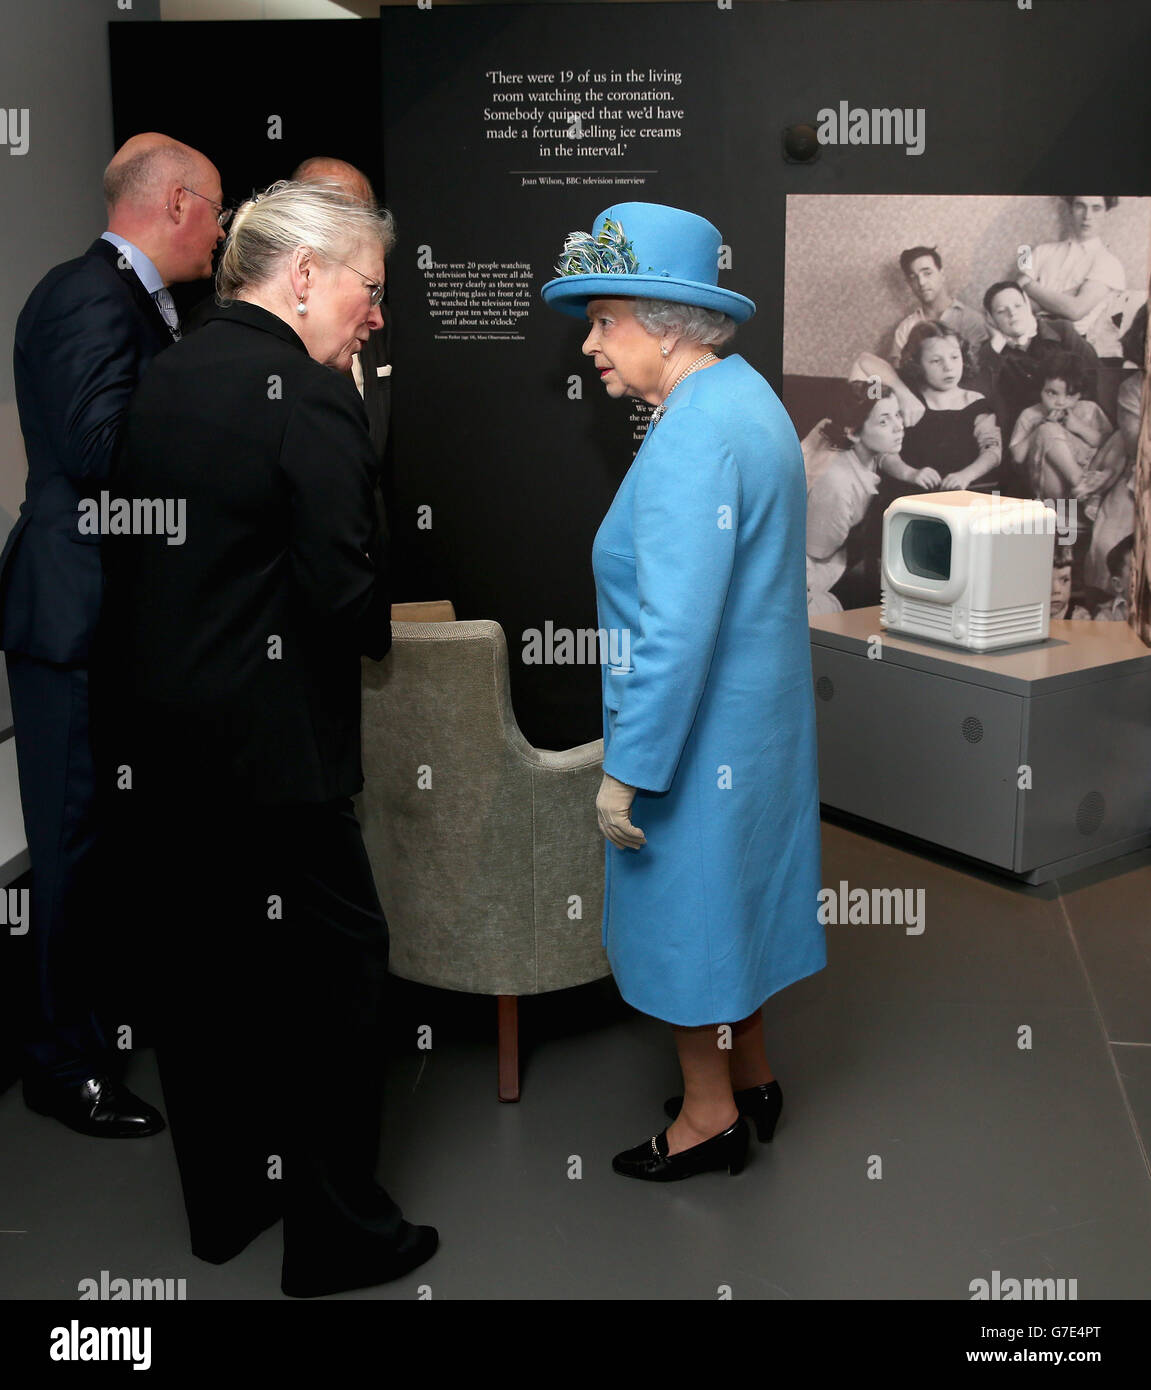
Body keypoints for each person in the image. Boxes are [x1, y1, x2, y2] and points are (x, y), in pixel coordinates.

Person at [99, 180, 436, 1296]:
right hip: (278, 755)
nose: (376, 316)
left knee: (204, 983)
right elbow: (348, 596)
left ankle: (228, 1208)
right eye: (369, 289)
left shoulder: (167, 371)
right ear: (304, 277)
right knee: (335, 979)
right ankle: (336, 1237)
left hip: (164, 745)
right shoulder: (311, 391)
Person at [541, 202, 825, 1181]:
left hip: (693, 744)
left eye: (602, 320)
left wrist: (628, 771)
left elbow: (669, 637)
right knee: (736, 906)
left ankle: (708, 1118)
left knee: (691, 928)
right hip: (757, 729)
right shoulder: (747, 401)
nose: (588, 347)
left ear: (662, 320)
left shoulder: (684, 445)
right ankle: (750, 1075)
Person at [0, 132, 225, 1138]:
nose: (220, 233)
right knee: (71, 848)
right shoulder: (85, 293)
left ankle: (96, 1032)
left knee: (103, 847)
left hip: (112, 624)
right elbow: (100, 453)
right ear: (174, 203)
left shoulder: (148, 303)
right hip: (71, 620)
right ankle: (59, 1066)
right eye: (214, 210)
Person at [292, 156, 392, 464]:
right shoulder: (244, 341)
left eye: (350, 214)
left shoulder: (376, 317)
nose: (375, 320)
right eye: (324, 210)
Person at [971, 281, 1100, 489]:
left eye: (1018, 306)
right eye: (1002, 311)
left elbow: (1094, 376)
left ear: (1028, 305)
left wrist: (1070, 414)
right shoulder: (991, 354)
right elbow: (978, 397)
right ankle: (1071, 508)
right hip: (1029, 442)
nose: (1012, 314)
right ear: (990, 319)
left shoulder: (1062, 332)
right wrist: (994, 345)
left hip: (1077, 430)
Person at [856, 321, 1001, 494]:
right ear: (917, 364)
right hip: (907, 494)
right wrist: (910, 474)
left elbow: (992, 451)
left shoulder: (976, 402)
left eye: (955, 357)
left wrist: (965, 476)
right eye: (935, 360)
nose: (948, 367)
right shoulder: (904, 400)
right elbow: (864, 360)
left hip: (961, 494)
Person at [804, 382, 904, 612]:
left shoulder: (869, 456)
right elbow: (817, 549)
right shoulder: (837, 483)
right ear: (853, 432)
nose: (899, 426)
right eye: (884, 421)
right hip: (815, 569)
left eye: (898, 415)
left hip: (843, 558)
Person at [1018, 197, 1127, 359]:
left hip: (1071, 345)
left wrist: (1030, 286)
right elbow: (1016, 301)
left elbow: (1075, 311)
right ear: (1070, 210)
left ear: (1106, 214)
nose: (1087, 216)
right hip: (1030, 336)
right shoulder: (1040, 251)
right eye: (1080, 206)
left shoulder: (1109, 263)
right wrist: (1062, 300)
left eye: (1096, 208)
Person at [1008, 353, 1113, 502]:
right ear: (1040, 389)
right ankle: (1081, 483)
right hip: (1055, 487)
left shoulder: (1089, 408)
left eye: (1070, 395)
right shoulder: (1030, 414)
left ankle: (1087, 490)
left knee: (1121, 438)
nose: (1060, 402)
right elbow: (1018, 457)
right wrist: (1040, 426)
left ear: (1080, 394)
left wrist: (1079, 427)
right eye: (1052, 393)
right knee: (1047, 430)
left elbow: (1107, 443)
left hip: (1092, 478)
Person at [890, 245, 988, 363]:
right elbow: (895, 371)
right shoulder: (906, 328)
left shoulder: (971, 320)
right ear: (909, 284)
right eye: (913, 277)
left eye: (927, 273)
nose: (921, 282)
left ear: (942, 274)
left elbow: (984, 369)